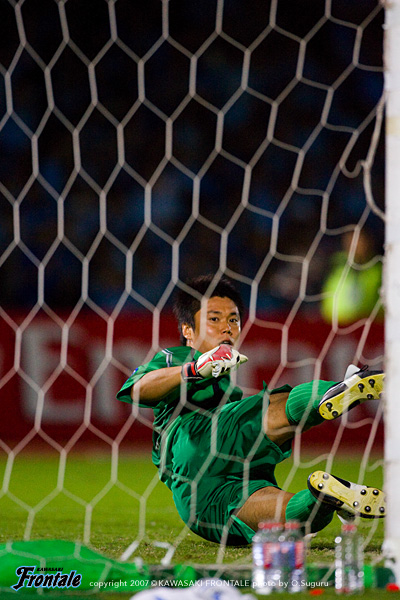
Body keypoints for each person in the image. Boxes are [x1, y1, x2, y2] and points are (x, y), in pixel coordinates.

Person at [117, 275, 385, 546]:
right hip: (192, 443)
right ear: (188, 330)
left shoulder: (227, 391)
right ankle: (334, 391)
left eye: (233, 320)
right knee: (269, 407)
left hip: (199, 505)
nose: (227, 328)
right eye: (214, 319)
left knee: (296, 519)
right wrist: (195, 369)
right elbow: (138, 388)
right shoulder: (179, 357)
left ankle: (325, 499)